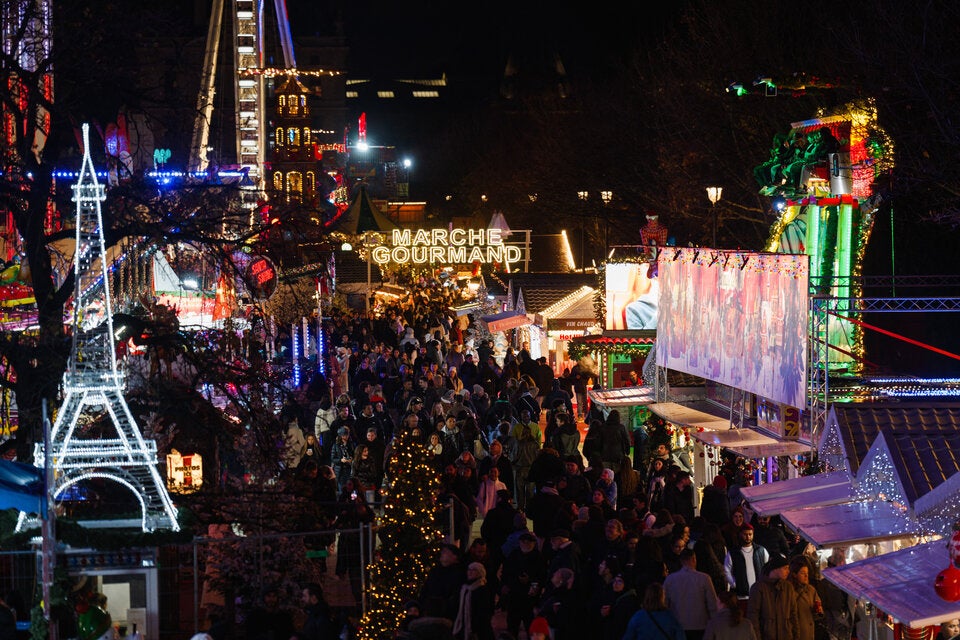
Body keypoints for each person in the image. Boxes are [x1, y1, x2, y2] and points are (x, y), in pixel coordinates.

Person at [663, 548, 718, 640]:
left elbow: (664, 603)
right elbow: (712, 604)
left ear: (681, 561)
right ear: (694, 559)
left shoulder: (670, 579)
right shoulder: (704, 578)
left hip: (678, 624)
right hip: (700, 625)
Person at [747, 555, 798, 640]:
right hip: (767, 636)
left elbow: (793, 614)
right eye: (785, 568)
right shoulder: (758, 588)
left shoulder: (788, 587)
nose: (788, 571)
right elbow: (753, 617)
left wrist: (796, 636)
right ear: (775, 569)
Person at [724, 524, 770, 599]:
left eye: (750, 534)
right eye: (745, 534)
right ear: (740, 534)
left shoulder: (761, 550)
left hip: (759, 594)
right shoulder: (733, 553)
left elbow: (768, 568)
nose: (748, 537)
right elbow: (727, 570)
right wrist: (734, 584)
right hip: (741, 596)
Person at [452, 562, 495, 640]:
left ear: (480, 573)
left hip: (479, 628)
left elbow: (484, 610)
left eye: (474, 570)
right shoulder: (464, 588)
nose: (470, 572)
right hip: (463, 625)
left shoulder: (483, 589)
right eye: (469, 570)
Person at [789, 555, 822, 640]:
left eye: (807, 573)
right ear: (794, 574)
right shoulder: (789, 590)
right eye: (803, 573)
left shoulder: (811, 590)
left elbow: (818, 613)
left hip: (810, 633)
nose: (806, 576)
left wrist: (818, 611)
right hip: (797, 633)